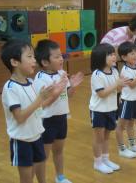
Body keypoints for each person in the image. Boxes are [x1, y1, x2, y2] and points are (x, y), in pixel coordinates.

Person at [0, 39, 55, 183]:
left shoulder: (30, 82)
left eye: (34, 57)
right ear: (14, 62)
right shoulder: (10, 88)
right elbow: (20, 117)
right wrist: (39, 99)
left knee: (42, 174)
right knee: (26, 178)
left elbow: (39, 107)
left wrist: (54, 94)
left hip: (36, 136)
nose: (34, 60)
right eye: (29, 56)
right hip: (22, 140)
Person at [33, 40, 84, 183]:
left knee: (59, 151)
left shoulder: (61, 73)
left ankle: (60, 177)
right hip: (46, 120)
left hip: (61, 118)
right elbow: (41, 105)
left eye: (61, 55)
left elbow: (68, 95)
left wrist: (72, 86)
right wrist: (56, 91)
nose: (61, 58)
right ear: (44, 62)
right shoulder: (40, 79)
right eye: (56, 56)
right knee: (43, 155)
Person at [89, 43, 129, 174]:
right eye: (110, 54)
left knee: (106, 136)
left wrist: (122, 85)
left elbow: (116, 90)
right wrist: (116, 84)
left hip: (111, 108)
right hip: (98, 110)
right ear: (101, 57)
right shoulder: (97, 74)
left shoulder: (115, 71)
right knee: (98, 137)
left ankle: (105, 159)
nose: (114, 56)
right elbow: (101, 94)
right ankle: (97, 162)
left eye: (113, 54)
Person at [116, 41, 136, 158]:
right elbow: (132, 85)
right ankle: (122, 148)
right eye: (132, 53)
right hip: (127, 101)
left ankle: (132, 144)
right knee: (121, 125)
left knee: (131, 123)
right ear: (124, 57)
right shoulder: (125, 70)